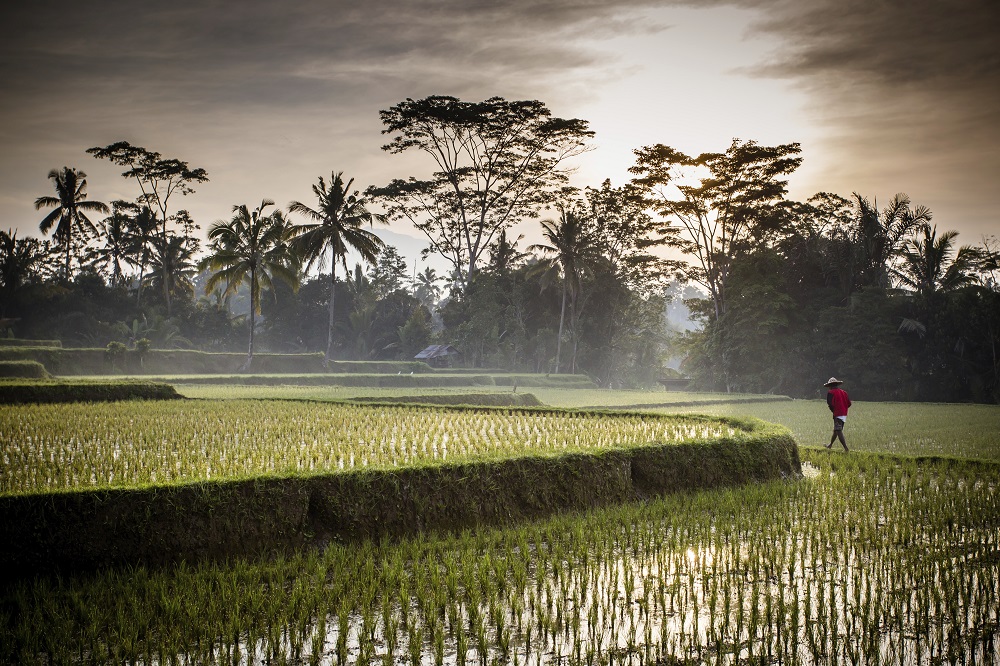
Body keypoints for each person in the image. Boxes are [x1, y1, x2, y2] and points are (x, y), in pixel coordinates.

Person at [824, 377, 851, 451]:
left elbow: (830, 404)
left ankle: (846, 448)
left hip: (837, 413)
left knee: (838, 431)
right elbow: (849, 403)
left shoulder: (830, 393)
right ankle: (830, 444)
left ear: (830, 386)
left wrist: (834, 410)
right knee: (836, 430)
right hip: (844, 414)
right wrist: (843, 408)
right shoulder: (844, 392)